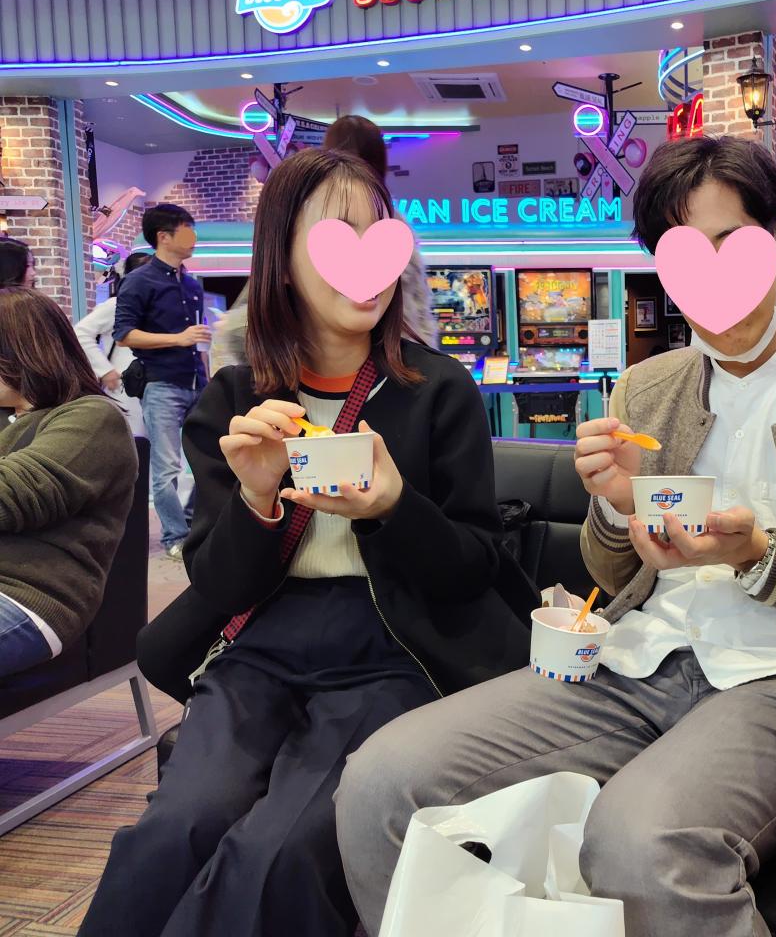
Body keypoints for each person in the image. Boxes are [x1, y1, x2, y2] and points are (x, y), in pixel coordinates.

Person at [334, 135, 776, 937]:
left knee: (639, 843)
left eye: (730, 243)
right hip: (637, 657)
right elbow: (614, 573)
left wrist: (759, 555)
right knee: (382, 782)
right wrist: (618, 507)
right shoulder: (645, 387)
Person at [80, 149, 530, 937]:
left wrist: (395, 507)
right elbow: (218, 584)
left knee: (279, 852)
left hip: (395, 649)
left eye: (376, 235)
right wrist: (256, 497)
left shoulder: (438, 389)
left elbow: (476, 565)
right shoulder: (235, 399)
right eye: (334, 238)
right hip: (261, 646)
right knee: (175, 828)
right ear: (282, 262)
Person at [209, 115, 437, 372]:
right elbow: (419, 314)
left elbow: (250, 315)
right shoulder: (393, 226)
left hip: (336, 366)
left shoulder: (311, 216)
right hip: (392, 366)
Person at [0, 287, 137, 677]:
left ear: (23, 351)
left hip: (27, 595)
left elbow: (14, 495)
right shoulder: (9, 418)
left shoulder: (91, 417)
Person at [113, 204, 209, 560]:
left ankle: (193, 523)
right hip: (161, 384)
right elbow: (124, 334)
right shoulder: (139, 281)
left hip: (197, 382)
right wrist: (178, 339)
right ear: (163, 237)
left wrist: (206, 374)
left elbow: (196, 339)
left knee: (211, 457)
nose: (193, 236)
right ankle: (175, 536)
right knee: (167, 466)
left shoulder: (191, 284)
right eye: (186, 228)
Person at [74, 252, 152, 437]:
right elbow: (80, 332)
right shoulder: (117, 305)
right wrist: (105, 370)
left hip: (153, 388)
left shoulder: (157, 306)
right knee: (134, 440)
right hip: (124, 386)